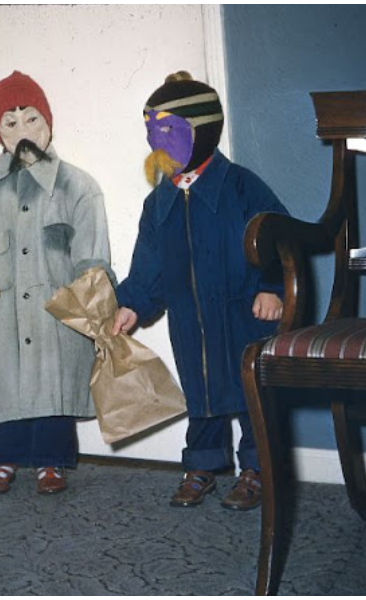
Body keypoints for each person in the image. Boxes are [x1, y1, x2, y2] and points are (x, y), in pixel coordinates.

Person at [111, 71, 289, 511]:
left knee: (252, 392)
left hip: (244, 311)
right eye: (152, 130)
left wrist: (271, 286)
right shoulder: (159, 202)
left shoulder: (241, 185)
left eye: (168, 129)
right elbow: (148, 263)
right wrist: (132, 303)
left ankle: (257, 469)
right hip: (189, 316)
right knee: (201, 392)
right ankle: (203, 465)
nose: (158, 141)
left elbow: (279, 238)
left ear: (203, 129)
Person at [0, 71, 112, 496]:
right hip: (2, 314)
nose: (24, 132)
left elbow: (93, 254)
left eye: (33, 119)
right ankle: (0, 461)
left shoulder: (79, 186)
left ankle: (50, 463)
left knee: (53, 382)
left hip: (55, 311)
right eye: (11, 123)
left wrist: (96, 307)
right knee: (7, 384)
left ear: (49, 122)